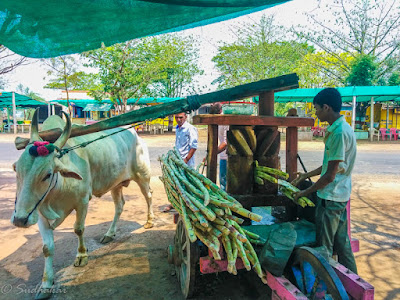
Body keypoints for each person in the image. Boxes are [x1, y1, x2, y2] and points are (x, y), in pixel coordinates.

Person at [292, 88, 358, 274]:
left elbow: (329, 176)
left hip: (331, 197)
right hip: (340, 195)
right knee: (343, 244)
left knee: (325, 248)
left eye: (317, 109)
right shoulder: (341, 129)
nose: (316, 113)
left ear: (327, 108)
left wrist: (304, 192)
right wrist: (305, 176)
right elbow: (330, 165)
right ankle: (356, 283)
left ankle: (326, 288)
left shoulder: (338, 134)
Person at [163, 112, 198, 212]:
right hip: (177, 160)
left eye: (181, 117)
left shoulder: (190, 129)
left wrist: (186, 160)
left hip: (186, 161)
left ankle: (189, 205)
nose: (179, 119)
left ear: (185, 117)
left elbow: (194, 146)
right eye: (177, 117)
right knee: (177, 183)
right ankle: (175, 203)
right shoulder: (178, 128)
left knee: (187, 184)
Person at [209, 103, 228, 190]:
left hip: (227, 157)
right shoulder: (218, 120)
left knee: (225, 184)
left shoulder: (225, 120)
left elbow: (225, 142)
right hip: (223, 156)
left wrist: (212, 153)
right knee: (223, 183)